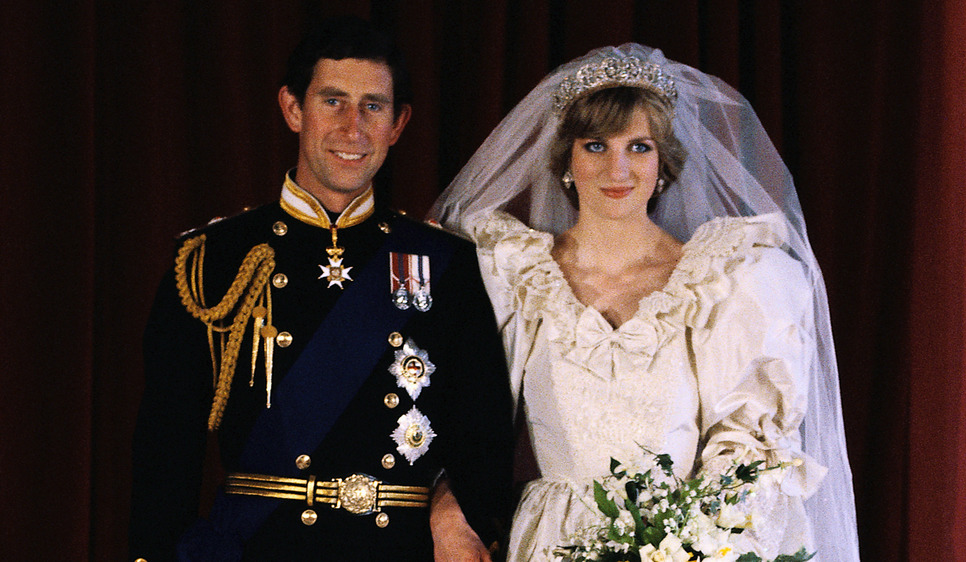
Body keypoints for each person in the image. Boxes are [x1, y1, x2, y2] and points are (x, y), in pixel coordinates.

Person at [431, 44, 860, 561]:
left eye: (639, 147)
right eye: (595, 146)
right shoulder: (512, 274)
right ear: (566, 159)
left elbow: (748, 450)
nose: (619, 168)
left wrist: (689, 540)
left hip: (682, 544)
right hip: (551, 544)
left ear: (663, 163)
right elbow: (460, 418)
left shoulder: (727, 283)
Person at [129, 16, 512, 561]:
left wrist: (456, 512)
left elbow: (484, 436)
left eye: (373, 106)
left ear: (398, 123)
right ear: (293, 109)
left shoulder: (443, 261)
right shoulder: (213, 259)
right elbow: (166, 450)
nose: (353, 128)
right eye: (333, 101)